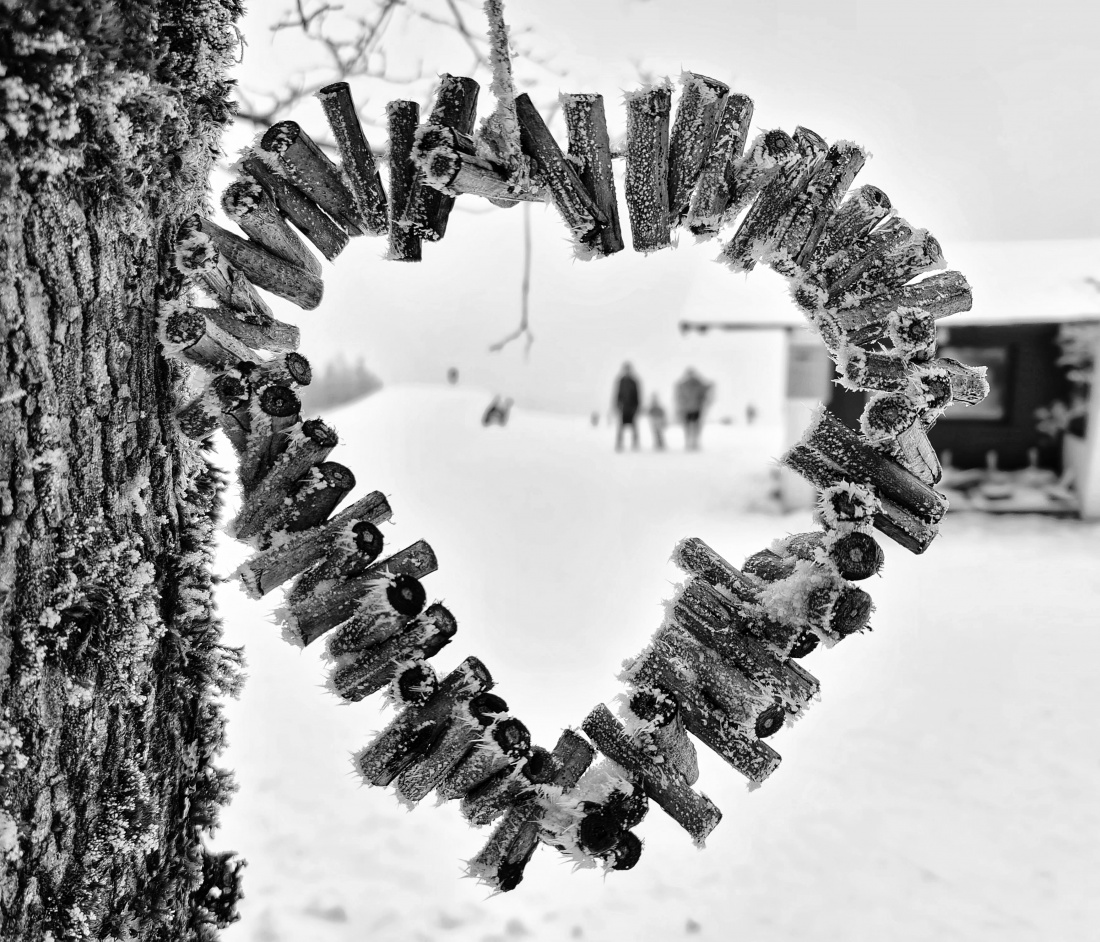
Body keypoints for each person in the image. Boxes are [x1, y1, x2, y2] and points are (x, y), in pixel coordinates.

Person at [674, 367, 712, 451]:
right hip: (687, 409)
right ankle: (688, 442)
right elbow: (679, 396)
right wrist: (680, 406)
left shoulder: (698, 383)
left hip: (697, 408)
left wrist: (710, 386)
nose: (690, 376)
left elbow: (705, 391)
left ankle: (695, 441)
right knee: (687, 426)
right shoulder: (683, 384)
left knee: (696, 426)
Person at [611, 362, 642, 451]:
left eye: (628, 369)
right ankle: (619, 444)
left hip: (632, 408)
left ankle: (635, 444)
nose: (627, 371)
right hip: (623, 408)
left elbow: (637, 395)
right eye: (626, 369)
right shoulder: (621, 381)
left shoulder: (634, 381)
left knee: (634, 427)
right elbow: (617, 394)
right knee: (620, 427)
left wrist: (637, 407)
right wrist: (617, 405)